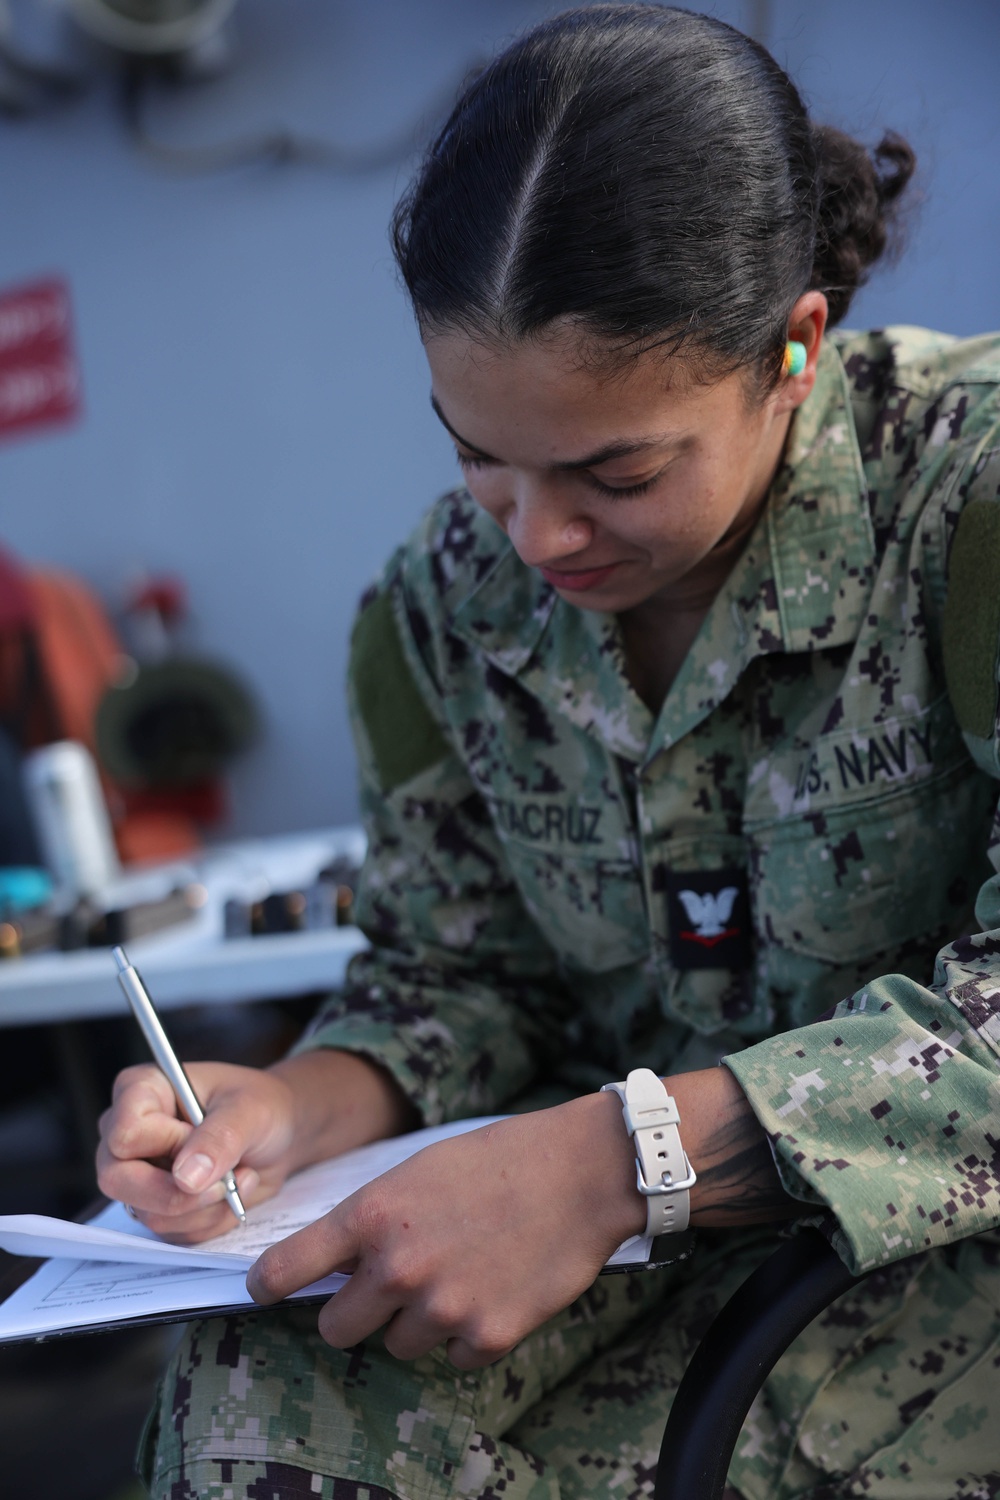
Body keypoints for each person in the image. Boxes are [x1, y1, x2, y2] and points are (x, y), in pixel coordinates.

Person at [97, 7, 1000, 1498]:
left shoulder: (967, 513)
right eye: (476, 454)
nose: (537, 537)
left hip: (934, 1273)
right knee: (258, 1386)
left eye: (616, 470)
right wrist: (289, 1104)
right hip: (622, 1278)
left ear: (795, 347)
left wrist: (619, 1159)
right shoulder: (439, 609)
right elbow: (460, 979)